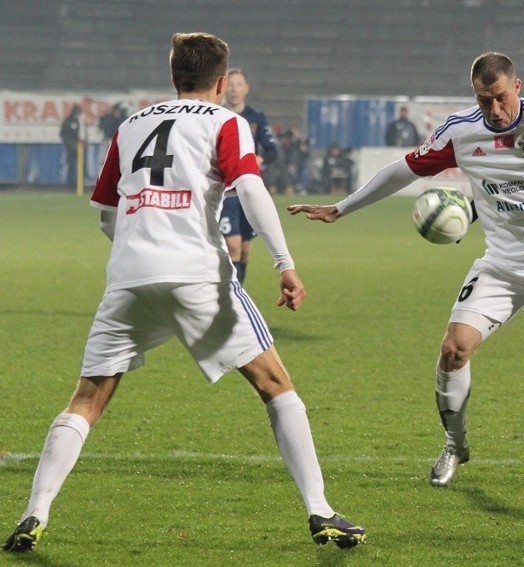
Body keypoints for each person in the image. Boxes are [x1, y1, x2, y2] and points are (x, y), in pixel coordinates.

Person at [2, 32, 364, 554]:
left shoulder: (130, 126)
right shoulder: (226, 122)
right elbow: (252, 189)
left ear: (173, 77)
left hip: (128, 277)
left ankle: (34, 512)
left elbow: (106, 212)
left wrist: (140, 247)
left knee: (87, 398)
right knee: (276, 385)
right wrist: (285, 263)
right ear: (221, 82)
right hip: (200, 276)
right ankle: (321, 509)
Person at [288, 52, 524, 487]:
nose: (494, 110)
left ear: (516, 87)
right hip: (503, 264)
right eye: (483, 99)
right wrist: (341, 208)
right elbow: (403, 170)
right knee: (453, 349)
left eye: (501, 98)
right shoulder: (460, 132)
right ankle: (455, 443)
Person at [219, 68, 279, 284]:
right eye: (230, 84)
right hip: (225, 192)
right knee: (232, 246)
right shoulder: (216, 115)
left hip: (249, 190)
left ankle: (239, 295)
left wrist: (260, 159)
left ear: (246, 89)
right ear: (223, 87)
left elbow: (272, 151)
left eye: (238, 85)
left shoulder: (256, 118)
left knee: (244, 250)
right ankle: (230, 299)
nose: (234, 89)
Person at [59, 103, 82, 188]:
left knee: (78, 166)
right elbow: (63, 134)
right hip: (70, 147)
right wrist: (69, 143)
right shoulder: (68, 121)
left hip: (78, 147)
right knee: (71, 165)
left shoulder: (77, 121)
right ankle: (71, 184)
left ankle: (78, 184)